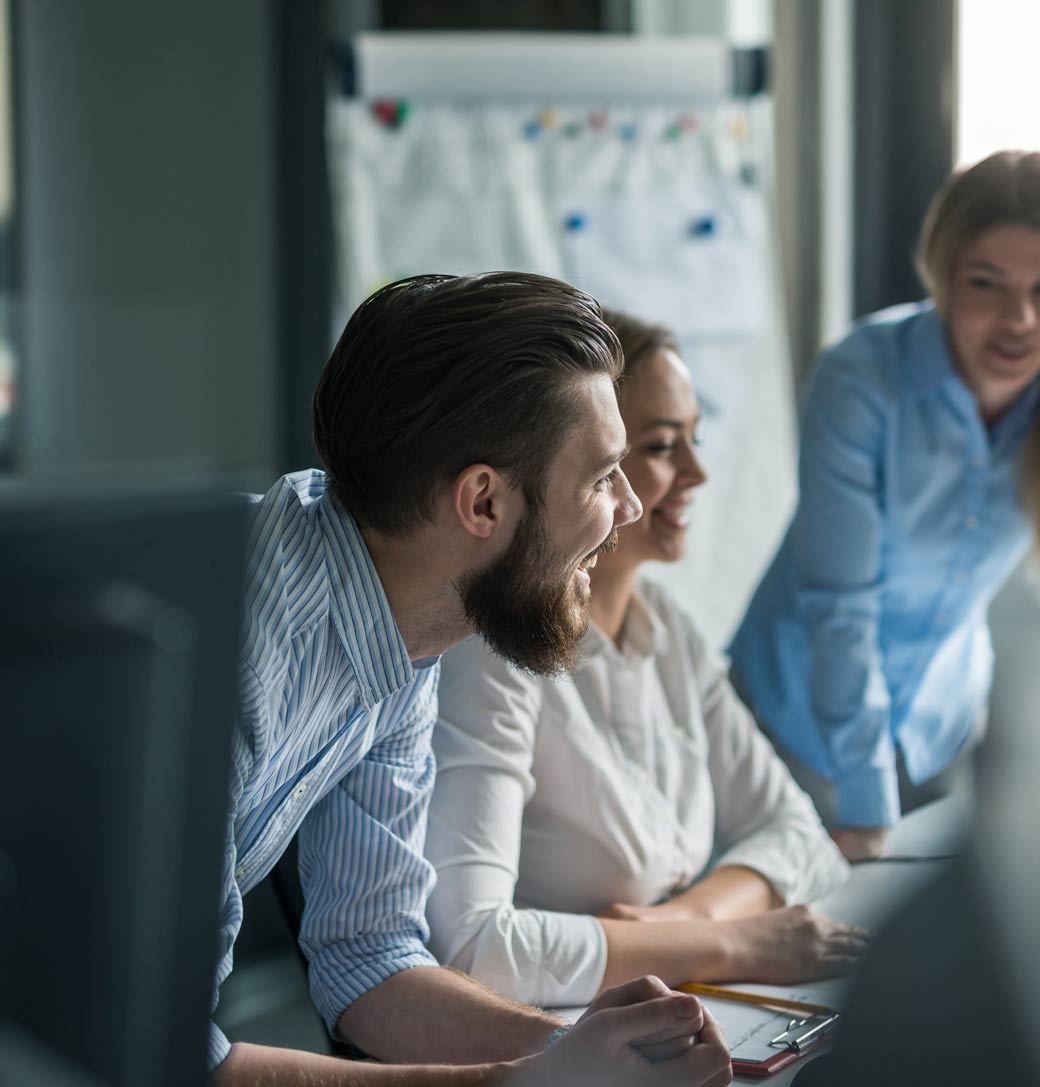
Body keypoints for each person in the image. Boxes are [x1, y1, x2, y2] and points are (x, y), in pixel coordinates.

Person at [214, 272, 732, 1086]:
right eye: (601, 477)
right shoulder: (231, 645)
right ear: (482, 501)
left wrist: (566, 1050)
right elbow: (166, 1055)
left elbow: (369, 957)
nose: (628, 508)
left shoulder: (407, 625)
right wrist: (522, 1083)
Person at [423, 309, 864, 1008]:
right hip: (553, 1033)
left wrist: (678, 923)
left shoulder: (667, 631)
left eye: (694, 438)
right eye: (661, 446)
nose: (695, 471)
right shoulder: (493, 652)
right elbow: (474, 953)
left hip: (670, 998)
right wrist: (733, 941)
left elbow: (797, 832)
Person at [730, 150, 1040, 861]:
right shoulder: (860, 377)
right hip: (793, 728)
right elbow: (841, 604)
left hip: (939, 726)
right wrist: (865, 804)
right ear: (942, 273)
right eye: (987, 284)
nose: (1018, 320)